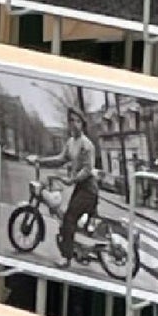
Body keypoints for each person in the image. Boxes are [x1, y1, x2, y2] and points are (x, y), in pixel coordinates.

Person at [47, 108, 101, 264]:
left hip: (89, 189)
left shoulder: (86, 144)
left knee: (69, 219)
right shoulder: (71, 142)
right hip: (80, 188)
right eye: (72, 121)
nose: (75, 124)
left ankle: (66, 258)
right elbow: (61, 159)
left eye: (78, 121)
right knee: (69, 218)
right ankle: (78, 249)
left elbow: (87, 169)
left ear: (83, 124)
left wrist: (72, 180)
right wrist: (40, 160)